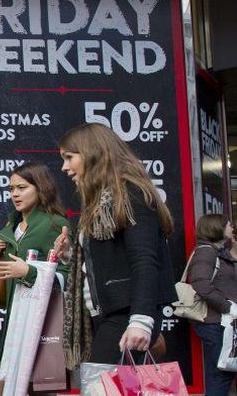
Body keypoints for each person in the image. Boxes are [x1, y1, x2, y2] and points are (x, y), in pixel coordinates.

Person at [55, 123, 176, 370]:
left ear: (92, 153)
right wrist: (71, 254)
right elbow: (109, 260)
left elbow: (144, 259)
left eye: (69, 157)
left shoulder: (131, 193)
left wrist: (141, 320)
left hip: (127, 313)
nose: (64, 167)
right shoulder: (100, 203)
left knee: (101, 386)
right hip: (107, 313)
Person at [0, 162, 70, 395]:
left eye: (22, 187)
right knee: (3, 387)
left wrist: (29, 272)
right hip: (14, 321)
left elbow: (68, 278)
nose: (15, 194)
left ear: (40, 188)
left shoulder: (55, 224)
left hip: (41, 325)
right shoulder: (12, 223)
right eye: (11, 189)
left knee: (35, 388)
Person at [187, 214, 237, 395]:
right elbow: (200, 282)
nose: (232, 228)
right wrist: (228, 306)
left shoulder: (215, 251)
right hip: (216, 322)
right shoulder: (206, 251)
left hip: (221, 323)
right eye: (229, 225)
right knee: (220, 376)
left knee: (223, 374)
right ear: (217, 228)